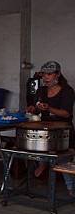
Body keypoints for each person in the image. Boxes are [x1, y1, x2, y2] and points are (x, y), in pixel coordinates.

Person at [26, 61, 75, 195]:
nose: (45, 77)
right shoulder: (41, 90)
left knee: (63, 160)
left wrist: (49, 108)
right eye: (43, 75)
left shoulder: (67, 91)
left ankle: (71, 189)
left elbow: (66, 113)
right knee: (38, 152)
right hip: (45, 129)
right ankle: (41, 167)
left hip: (63, 131)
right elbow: (36, 108)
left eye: (49, 74)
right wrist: (33, 109)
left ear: (57, 75)